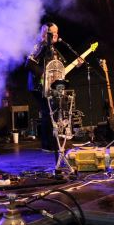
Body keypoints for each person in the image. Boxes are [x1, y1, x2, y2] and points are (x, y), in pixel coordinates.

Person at [26, 22, 80, 152]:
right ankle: (47, 145)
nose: (56, 35)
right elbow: (29, 63)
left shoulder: (53, 49)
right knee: (47, 112)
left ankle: (51, 143)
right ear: (45, 34)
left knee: (51, 113)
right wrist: (43, 74)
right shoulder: (40, 46)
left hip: (49, 86)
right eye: (53, 32)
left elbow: (59, 69)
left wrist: (76, 65)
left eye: (57, 32)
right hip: (38, 85)